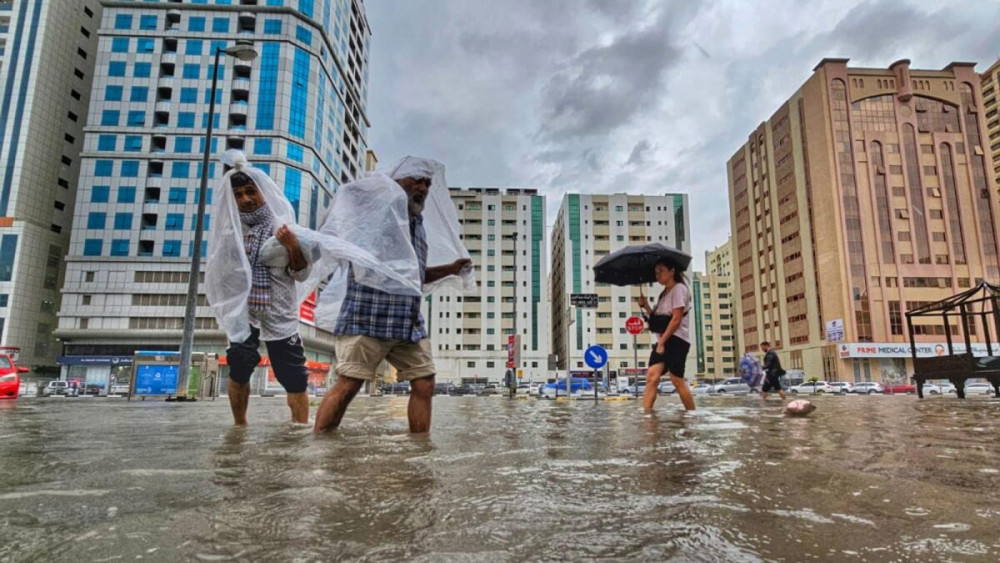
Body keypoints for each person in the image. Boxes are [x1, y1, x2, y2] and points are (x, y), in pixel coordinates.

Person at [313, 157, 472, 434]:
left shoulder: (418, 226)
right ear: (396, 183)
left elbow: (415, 275)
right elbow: (347, 202)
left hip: (407, 322)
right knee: (349, 383)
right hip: (368, 316)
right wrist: (377, 190)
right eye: (417, 180)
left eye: (427, 183)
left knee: (425, 382)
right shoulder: (378, 212)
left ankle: (419, 449)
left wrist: (451, 269)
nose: (423, 187)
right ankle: (321, 443)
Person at [209, 168, 312, 425]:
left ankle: (298, 431)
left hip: (280, 313)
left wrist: (291, 246)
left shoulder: (284, 228)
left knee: (294, 377)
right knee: (240, 369)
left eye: (250, 191)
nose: (245, 199)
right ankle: (239, 430)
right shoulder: (230, 232)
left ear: (263, 192)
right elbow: (221, 273)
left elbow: (301, 274)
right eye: (238, 195)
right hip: (245, 314)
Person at [637, 260, 695, 411]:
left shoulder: (679, 289)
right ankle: (648, 415)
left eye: (661, 271)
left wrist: (662, 342)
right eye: (656, 272)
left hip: (677, 340)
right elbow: (657, 319)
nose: (658, 275)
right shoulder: (664, 294)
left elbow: (676, 319)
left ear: (672, 271)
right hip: (663, 340)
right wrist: (646, 306)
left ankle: (691, 414)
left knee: (676, 379)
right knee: (651, 376)